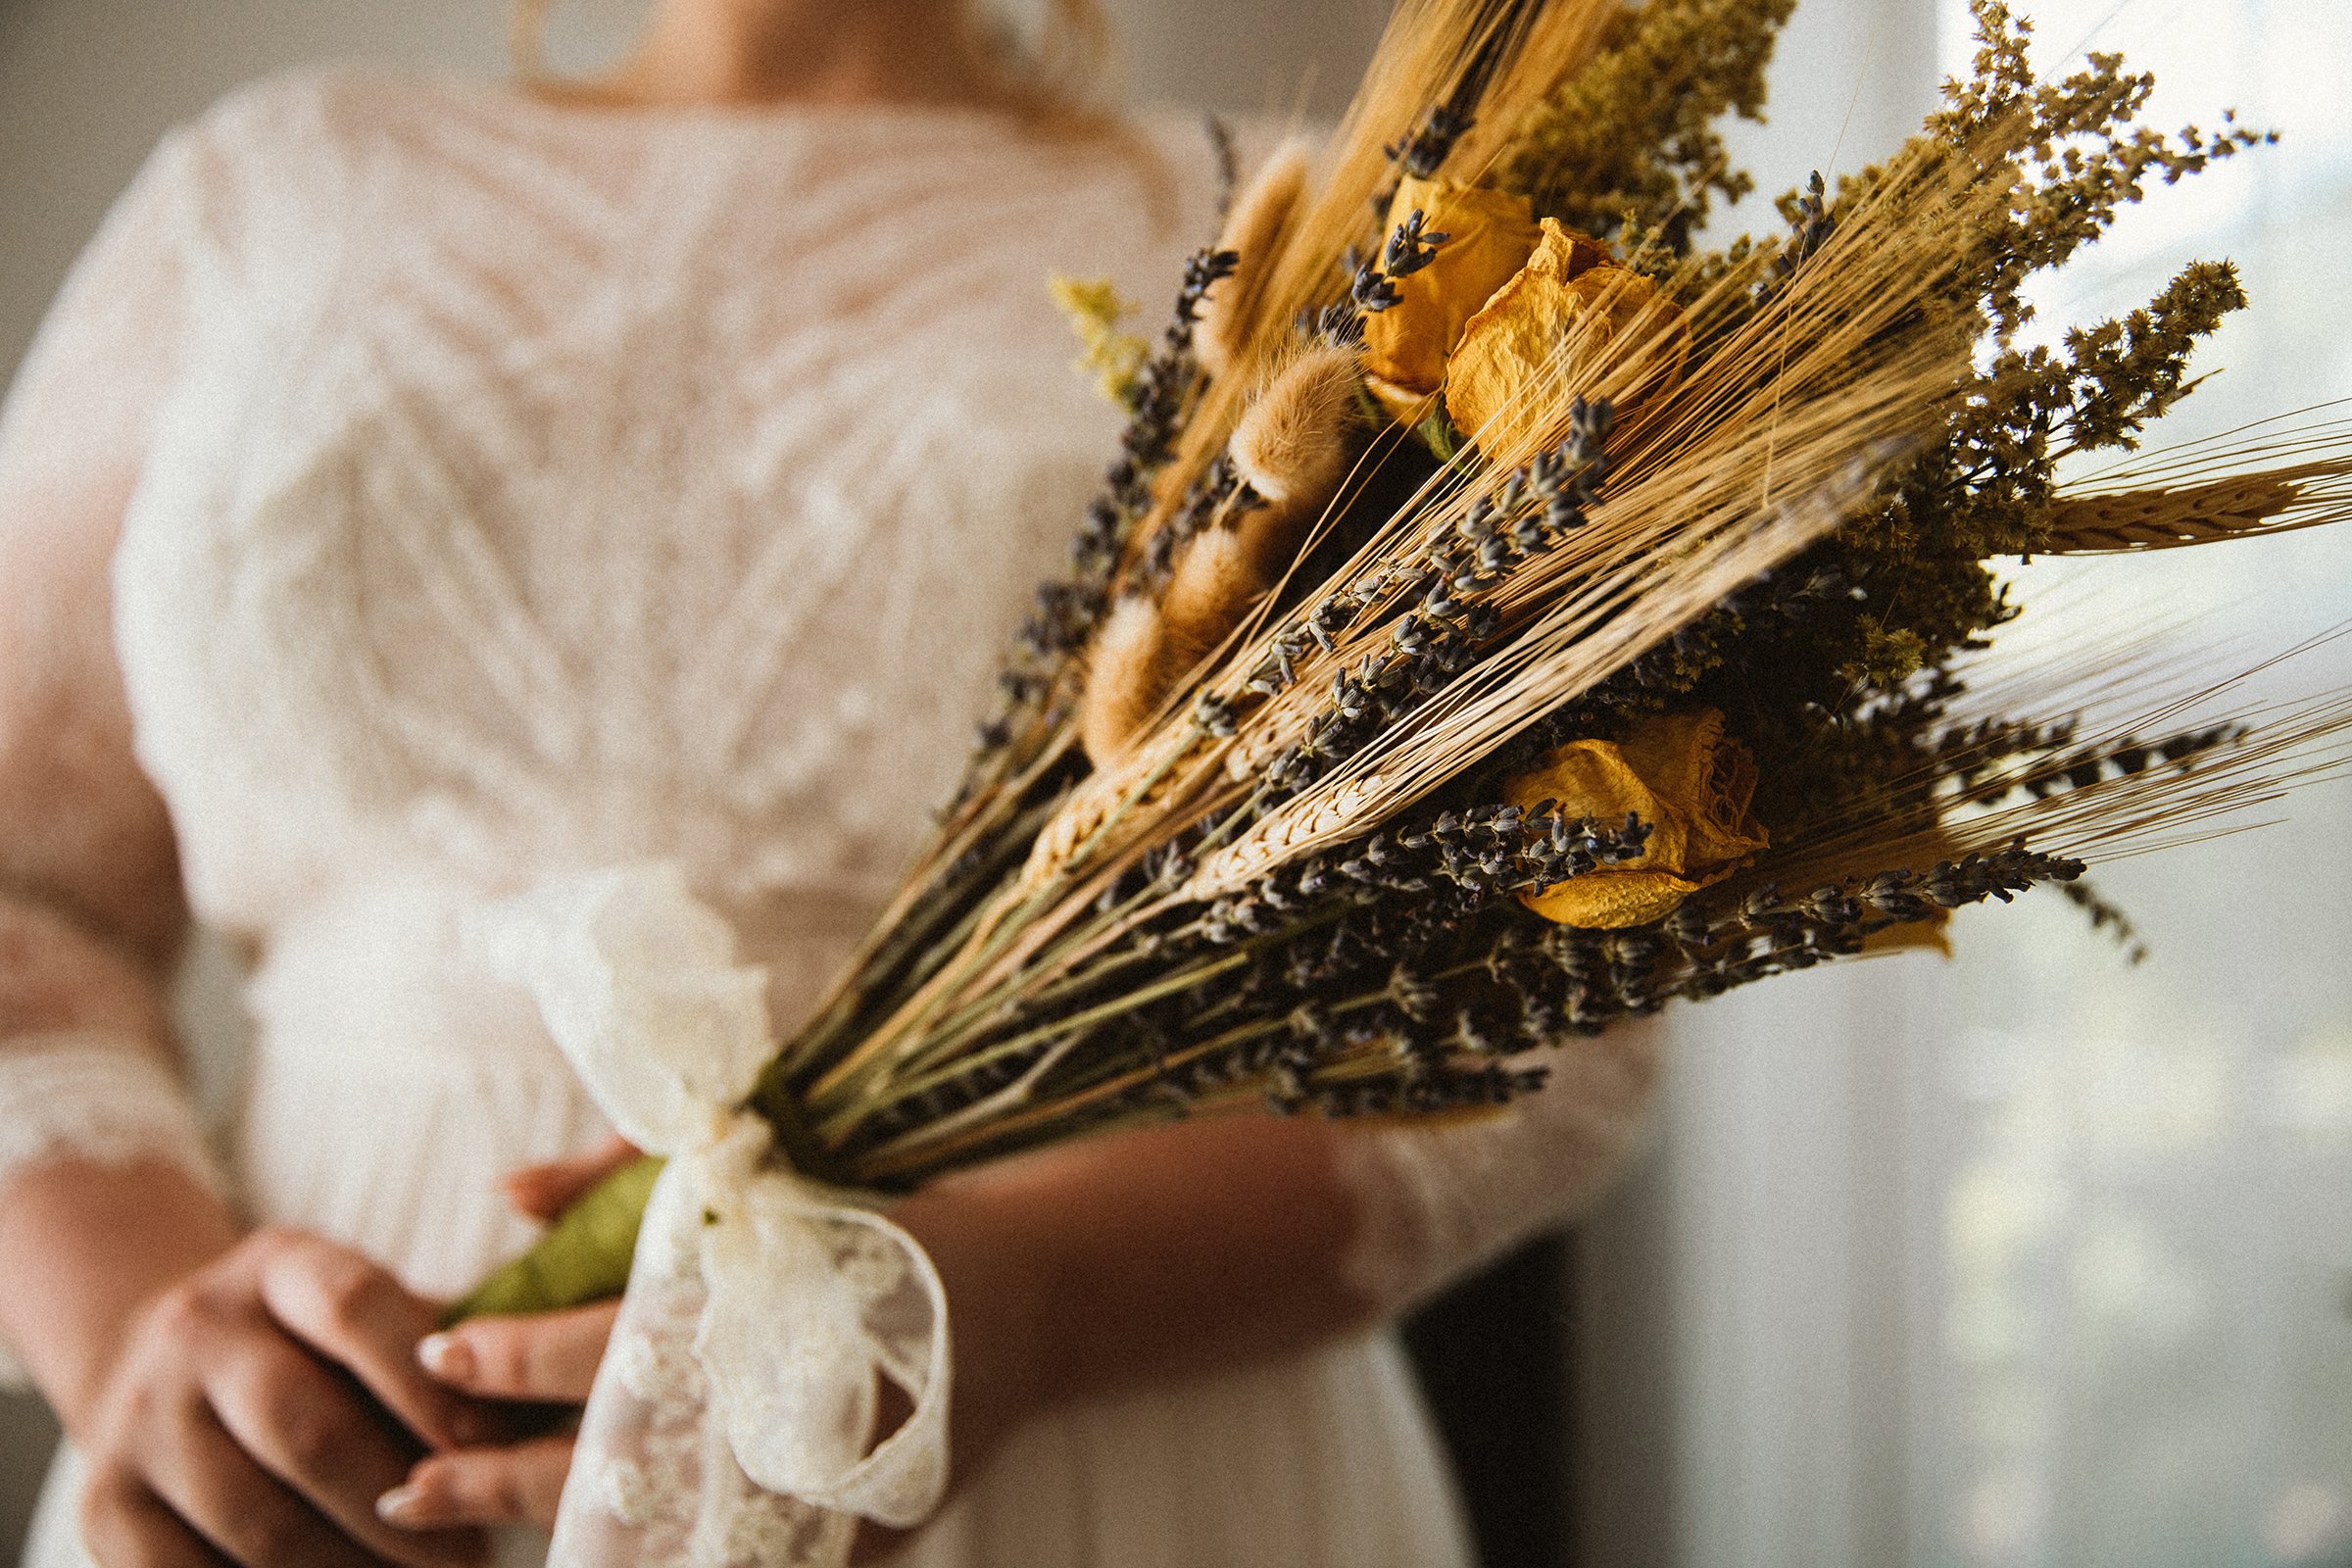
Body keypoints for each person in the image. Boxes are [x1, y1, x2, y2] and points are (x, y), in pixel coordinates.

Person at [0, 0, 1665, 1563]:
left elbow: (1552, 977)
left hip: (1071, 1465)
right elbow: (28, 891)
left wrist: (1032, 1302)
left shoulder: (1312, 253)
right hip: (298, 1472)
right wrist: (133, 1319)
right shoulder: (267, 194)